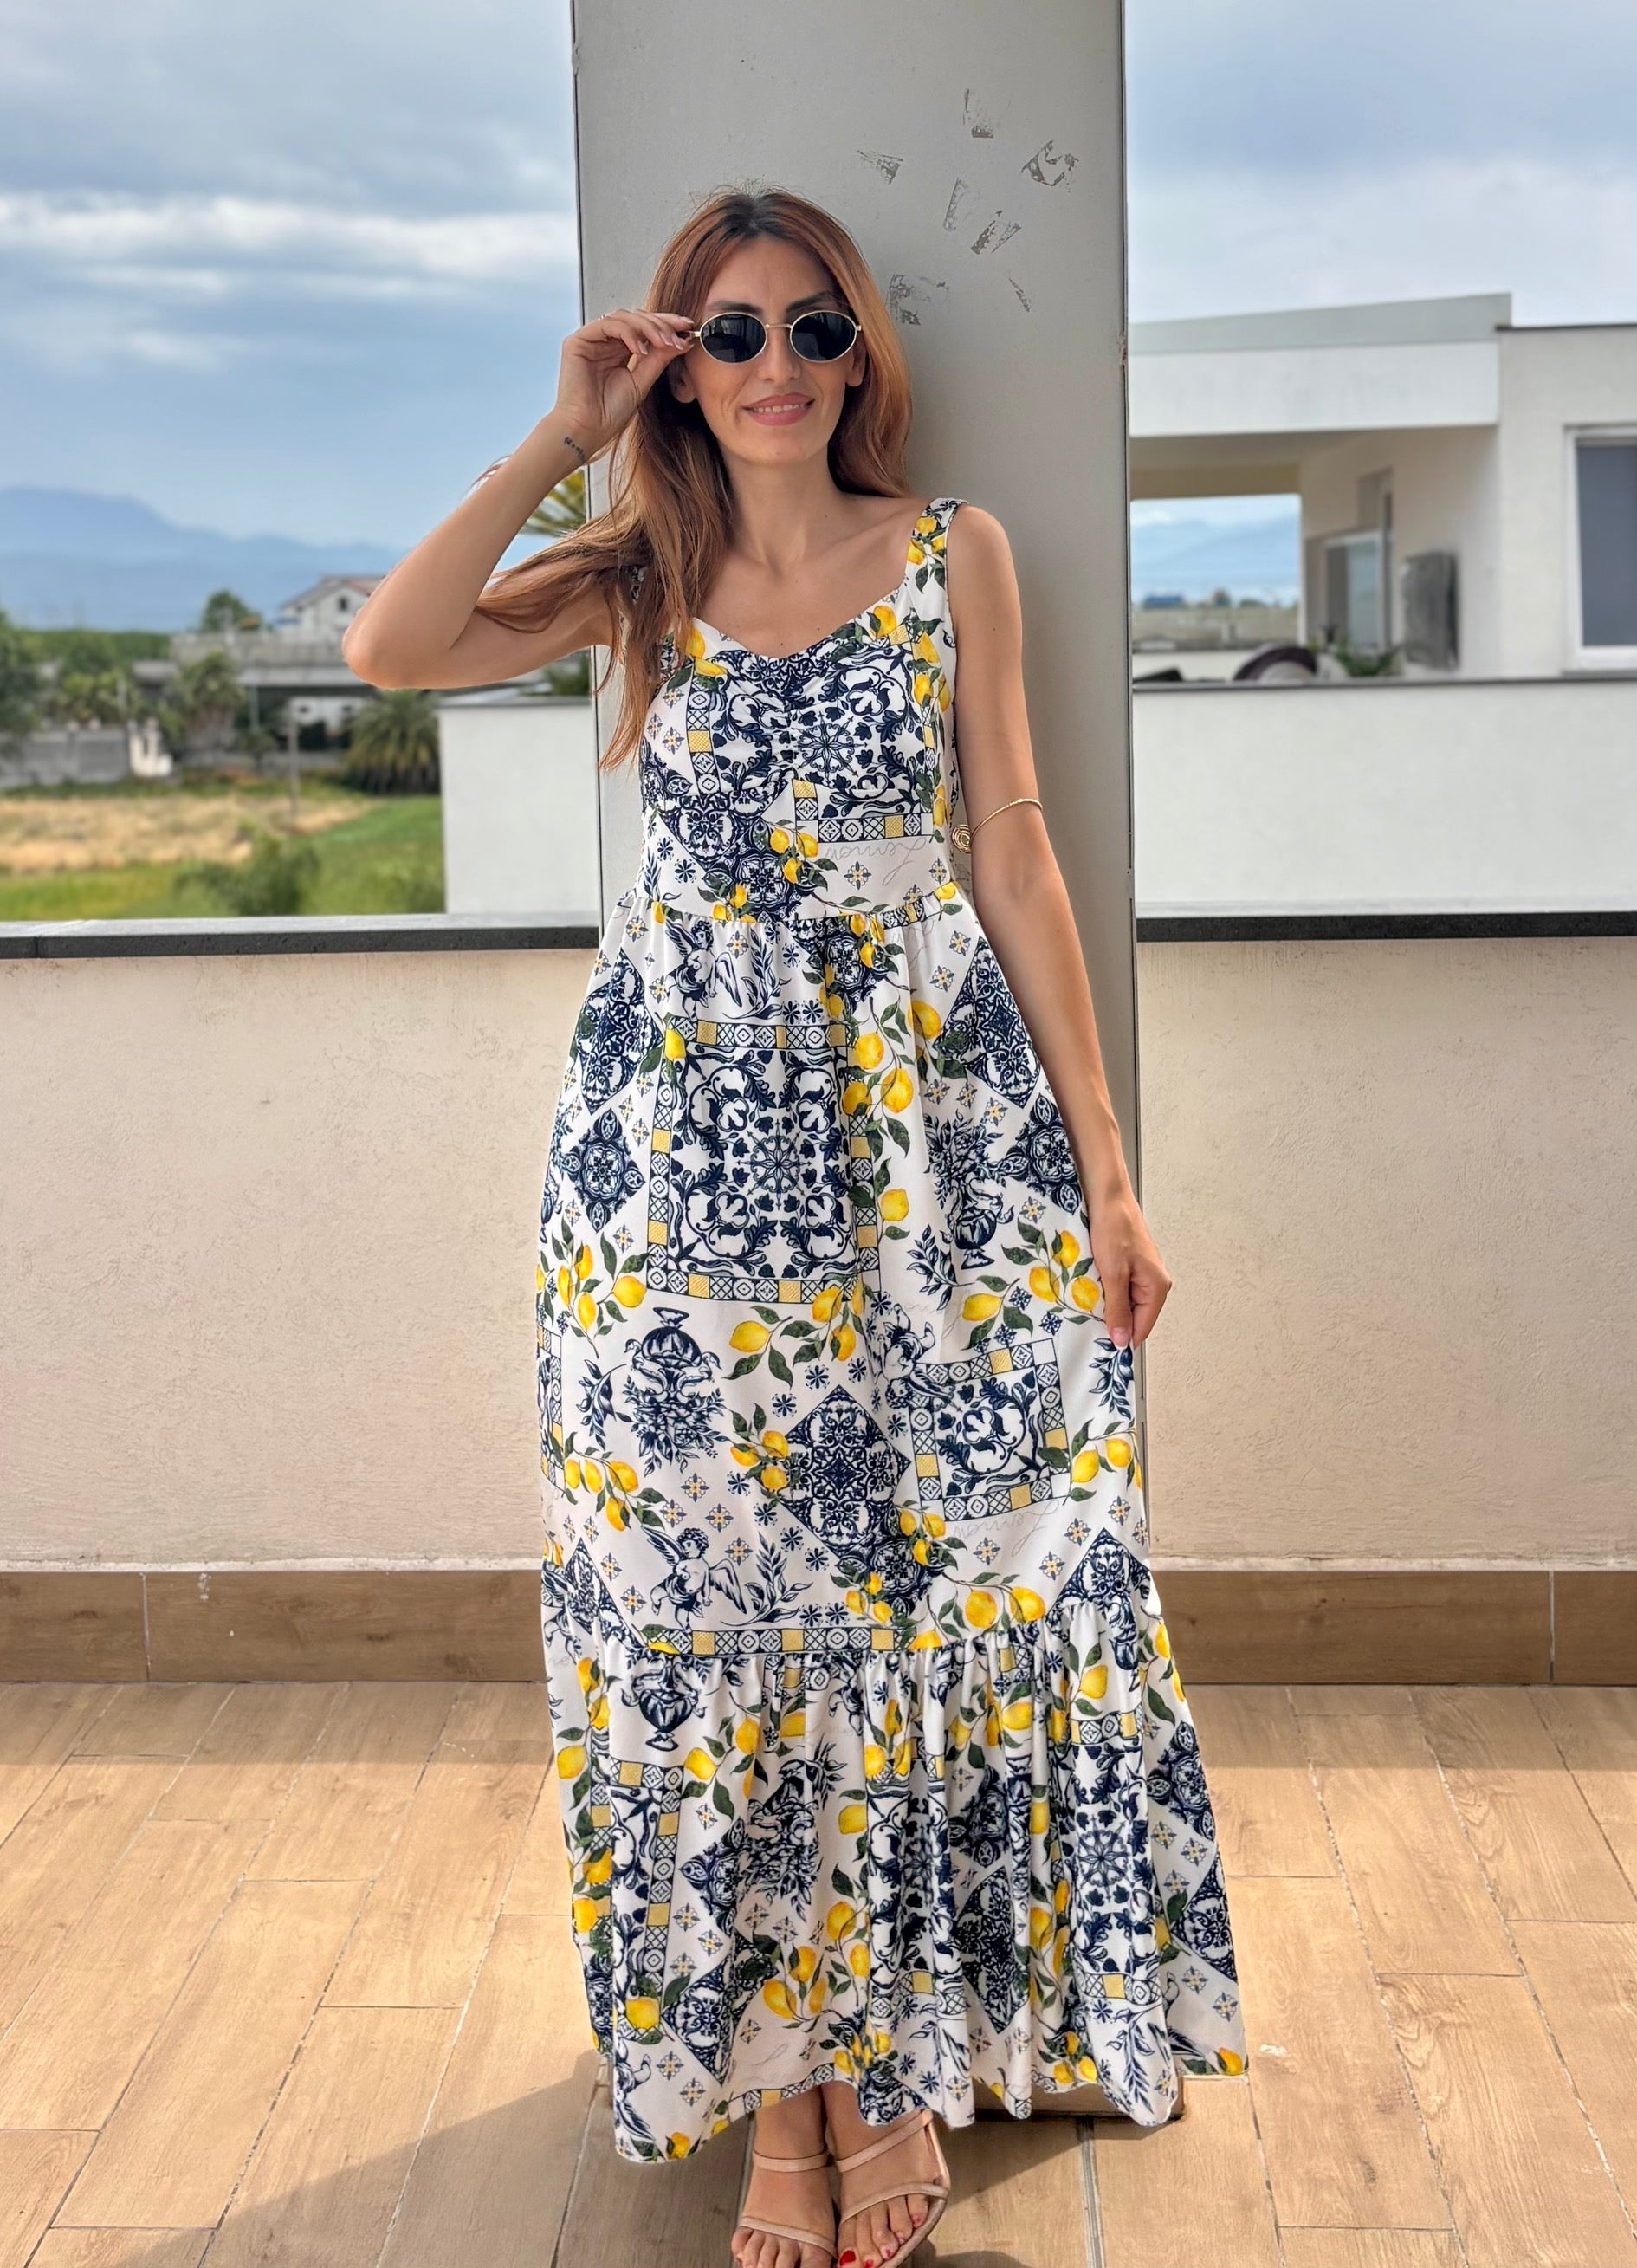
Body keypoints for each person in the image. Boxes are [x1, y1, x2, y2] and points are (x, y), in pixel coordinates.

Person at [344, 183, 1246, 2268]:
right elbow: (391, 648)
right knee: (711, 1607)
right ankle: (784, 2089)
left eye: (813, 326)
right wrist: (563, 433)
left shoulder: (952, 552)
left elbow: (1014, 854)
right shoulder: (635, 576)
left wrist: (1109, 1168)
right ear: (679, 363)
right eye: (731, 331)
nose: (776, 366)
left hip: (936, 1147)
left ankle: (893, 2059)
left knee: (932, 1587)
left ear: (863, 355)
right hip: (673, 1171)